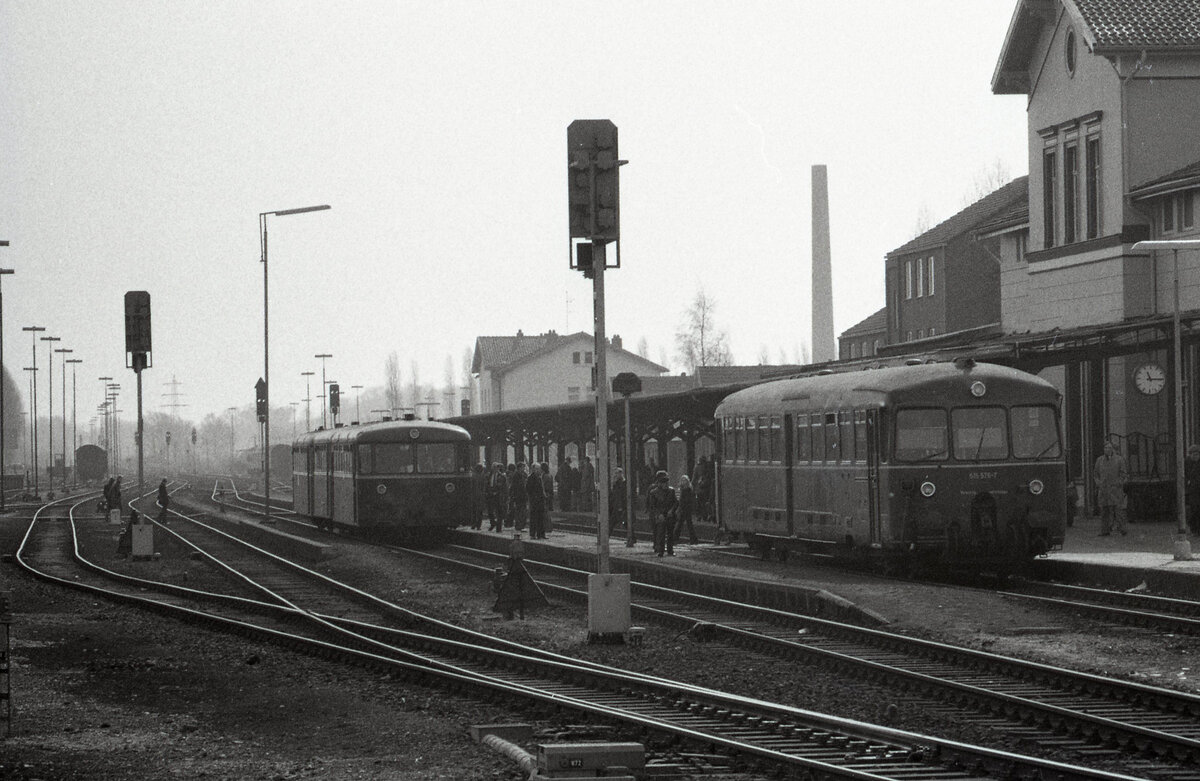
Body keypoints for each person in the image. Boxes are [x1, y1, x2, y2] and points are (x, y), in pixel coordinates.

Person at [1093, 441, 1128, 536]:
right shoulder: (1099, 460)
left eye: (1109, 448)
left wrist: (1119, 483)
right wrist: (1098, 483)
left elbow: (1123, 474)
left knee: (1118, 510)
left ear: (1113, 449)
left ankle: (1122, 529)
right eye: (1106, 448)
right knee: (1104, 511)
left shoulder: (1119, 460)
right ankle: (1105, 530)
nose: (1107, 450)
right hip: (1104, 489)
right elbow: (1095, 474)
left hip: (1115, 489)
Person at [647, 470, 677, 557]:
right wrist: (658, 514)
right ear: (660, 483)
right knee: (661, 533)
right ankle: (661, 550)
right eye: (664, 483)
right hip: (660, 516)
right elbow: (652, 506)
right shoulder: (654, 493)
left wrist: (671, 510)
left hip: (669, 515)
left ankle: (670, 550)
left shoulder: (671, 491)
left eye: (667, 482)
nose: (666, 484)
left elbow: (675, 502)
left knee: (670, 533)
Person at [673, 474, 698, 545]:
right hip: (685, 508)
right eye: (682, 480)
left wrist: (680, 508)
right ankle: (693, 539)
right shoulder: (686, 489)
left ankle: (675, 538)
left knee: (682, 524)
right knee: (686, 524)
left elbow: (684, 500)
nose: (683, 482)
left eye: (684, 480)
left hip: (685, 509)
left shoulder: (686, 490)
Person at [526, 463, 546, 539]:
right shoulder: (530, 478)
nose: (539, 470)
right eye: (537, 469)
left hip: (540, 501)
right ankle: (533, 534)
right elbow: (528, 489)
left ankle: (541, 534)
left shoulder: (539, 478)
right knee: (534, 518)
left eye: (539, 469)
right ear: (533, 469)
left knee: (541, 517)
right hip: (534, 501)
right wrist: (534, 497)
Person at [486, 463, 507, 532]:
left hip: (498, 496)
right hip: (490, 495)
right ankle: (492, 523)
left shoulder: (502, 476)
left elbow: (504, 487)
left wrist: (498, 492)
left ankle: (499, 528)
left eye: (497, 467)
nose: (496, 469)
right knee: (490, 511)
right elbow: (487, 484)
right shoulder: (489, 475)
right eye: (494, 467)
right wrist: (488, 492)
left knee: (499, 512)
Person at [509, 462, 529, 532]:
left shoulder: (523, 475)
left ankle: (521, 525)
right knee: (519, 511)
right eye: (523, 467)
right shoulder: (516, 475)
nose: (524, 469)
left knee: (522, 511)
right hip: (519, 496)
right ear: (519, 467)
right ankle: (519, 525)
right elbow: (515, 486)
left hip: (523, 496)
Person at [608, 467, 628, 534]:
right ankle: (632, 536)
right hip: (616, 506)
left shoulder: (624, 483)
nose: (615, 475)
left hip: (621, 507)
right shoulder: (616, 483)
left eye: (617, 473)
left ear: (621, 474)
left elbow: (621, 495)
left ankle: (632, 536)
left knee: (622, 522)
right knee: (613, 522)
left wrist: (620, 507)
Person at [1186, 444, 1200, 535]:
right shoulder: (1186, 462)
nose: (1196, 456)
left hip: (1197, 487)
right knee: (1194, 508)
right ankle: (1194, 528)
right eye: (1194, 455)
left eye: (1197, 454)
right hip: (1192, 489)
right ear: (1190, 455)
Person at [471, 464, 487, 530]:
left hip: (474, 496)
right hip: (480, 496)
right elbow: (484, 486)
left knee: (474, 511)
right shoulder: (483, 476)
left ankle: (474, 524)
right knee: (479, 511)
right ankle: (478, 525)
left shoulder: (473, 476)